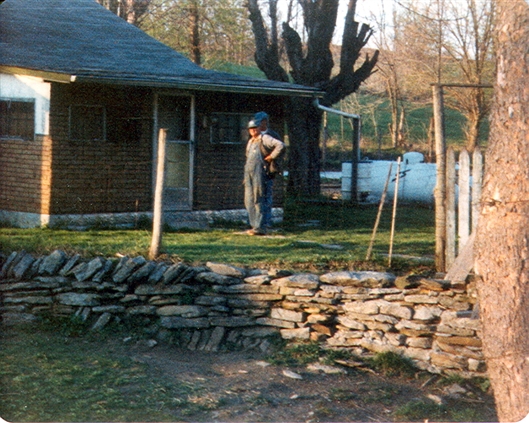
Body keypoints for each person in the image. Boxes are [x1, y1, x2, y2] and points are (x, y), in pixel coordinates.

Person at [244, 119, 285, 236]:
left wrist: (271, 156)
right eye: (251, 128)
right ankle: (254, 226)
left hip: (260, 172)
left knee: (258, 199)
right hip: (248, 173)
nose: (253, 130)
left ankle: (260, 227)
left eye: (255, 128)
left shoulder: (264, 138)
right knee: (249, 200)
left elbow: (280, 145)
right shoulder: (250, 141)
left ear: (259, 128)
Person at [253, 111, 283, 229]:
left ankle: (267, 221)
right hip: (256, 170)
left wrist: (271, 157)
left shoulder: (272, 135)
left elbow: (280, 148)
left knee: (267, 195)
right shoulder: (254, 135)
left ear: (265, 122)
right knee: (257, 196)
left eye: (259, 122)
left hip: (268, 169)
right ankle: (257, 222)